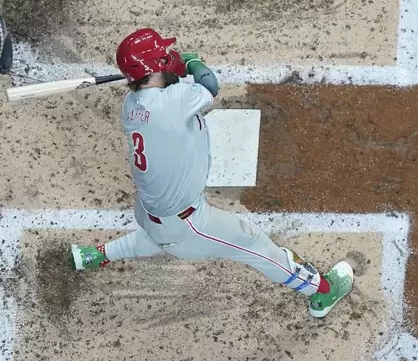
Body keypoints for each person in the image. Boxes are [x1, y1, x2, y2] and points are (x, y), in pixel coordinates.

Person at [69, 28, 354, 318]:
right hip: (188, 222)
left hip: (150, 210)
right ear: (156, 66)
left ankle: (98, 255)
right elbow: (209, 83)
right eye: (164, 56)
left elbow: (166, 96)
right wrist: (190, 64)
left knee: (160, 237)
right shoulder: (174, 100)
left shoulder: (131, 106)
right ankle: (321, 292)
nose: (170, 57)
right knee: (254, 244)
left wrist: (169, 68)